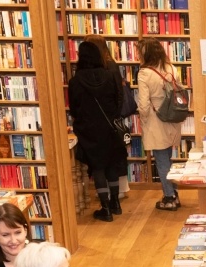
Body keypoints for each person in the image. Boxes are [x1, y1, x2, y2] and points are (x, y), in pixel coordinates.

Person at [68, 41, 127, 222]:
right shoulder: (109, 76)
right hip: (109, 127)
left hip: (89, 130)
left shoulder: (75, 81)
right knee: (111, 164)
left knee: (98, 167)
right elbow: (119, 100)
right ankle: (116, 203)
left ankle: (105, 208)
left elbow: (74, 108)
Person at [137, 38, 183, 211]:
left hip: (156, 121)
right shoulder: (171, 68)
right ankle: (174, 193)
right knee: (168, 158)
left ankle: (169, 197)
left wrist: (144, 120)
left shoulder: (144, 73)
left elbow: (143, 104)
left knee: (162, 161)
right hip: (172, 118)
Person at [83, 34, 131, 197]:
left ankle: (108, 195)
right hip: (110, 119)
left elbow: (118, 94)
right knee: (113, 156)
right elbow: (118, 94)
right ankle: (114, 195)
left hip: (100, 122)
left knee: (104, 159)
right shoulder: (111, 65)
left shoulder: (106, 67)